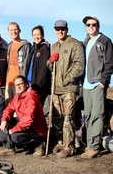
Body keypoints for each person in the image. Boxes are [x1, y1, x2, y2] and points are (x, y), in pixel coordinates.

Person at [46, 20, 84, 158]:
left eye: (62, 28)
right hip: (55, 89)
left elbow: (79, 66)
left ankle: (69, 146)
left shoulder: (75, 44)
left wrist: (66, 79)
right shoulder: (54, 46)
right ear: (55, 30)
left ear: (67, 29)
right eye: (57, 28)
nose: (60, 31)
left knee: (69, 117)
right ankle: (61, 142)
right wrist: (50, 61)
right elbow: (50, 67)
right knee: (57, 117)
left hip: (69, 88)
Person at [81, 16, 113, 158]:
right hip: (86, 84)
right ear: (86, 27)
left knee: (97, 114)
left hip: (97, 84)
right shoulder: (86, 40)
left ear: (98, 26)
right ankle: (89, 144)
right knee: (87, 114)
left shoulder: (105, 41)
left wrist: (103, 82)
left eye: (94, 24)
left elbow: (110, 63)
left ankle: (95, 146)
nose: (91, 27)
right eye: (88, 24)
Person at [0, 75, 47, 157]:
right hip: (24, 125)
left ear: (26, 84)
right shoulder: (17, 96)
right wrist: (4, 120)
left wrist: (12, 130)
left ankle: (38, 144)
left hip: (35, 129)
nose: (18, 87)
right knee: (2, 132)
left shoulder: (31, 97)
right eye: (16, 85)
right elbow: (8, 109)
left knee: (14, 137)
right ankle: (9, 148)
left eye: (20, 84)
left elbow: (28, 120)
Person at [5, 22, 31, 104]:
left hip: (20, 83)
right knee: (9, 106)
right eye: (11, 30)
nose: (13, 32)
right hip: (9, 82)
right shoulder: (9, 45)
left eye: (15, 29)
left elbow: (28, 64)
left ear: (19, 30)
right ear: (8, 32)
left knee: (19, 107)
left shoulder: (26, 46)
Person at [25, 25, 51, 105]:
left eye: (38, 34)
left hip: (38, 87)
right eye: (34, 35)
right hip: (30, 84)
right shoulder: (33, 48)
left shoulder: (44, 49)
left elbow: (43, 70)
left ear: (42, 35)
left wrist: (37, 87)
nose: (36, 37)